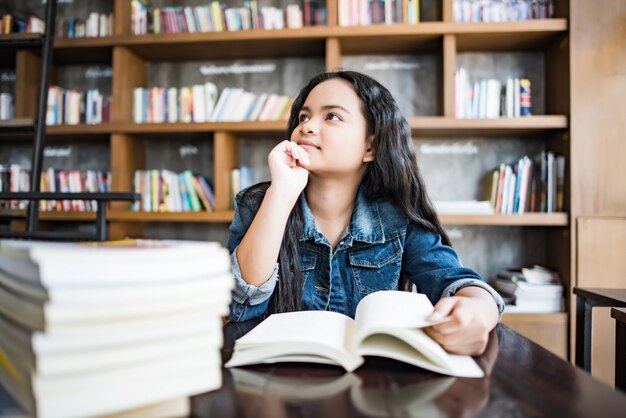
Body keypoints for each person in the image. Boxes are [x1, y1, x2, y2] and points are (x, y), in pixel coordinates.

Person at [227, 70, 504, 355]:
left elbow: (458, 282)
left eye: (332, 116)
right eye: (304, 117)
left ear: (370, 146)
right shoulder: (258, 204)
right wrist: (282, 193)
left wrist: (477, 313)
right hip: (278, 377)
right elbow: (242, 305)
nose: (307, 127)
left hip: (374, 383)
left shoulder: (399, 218)